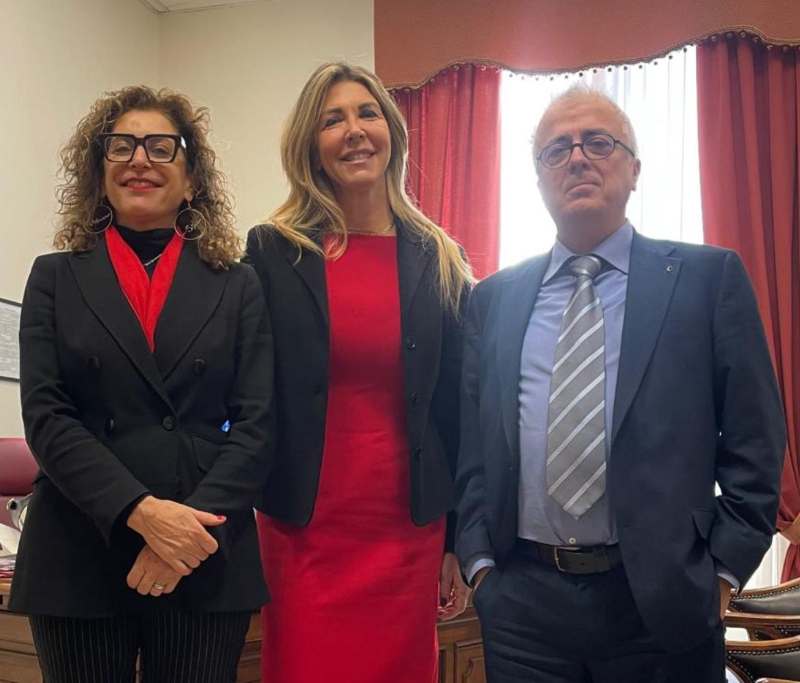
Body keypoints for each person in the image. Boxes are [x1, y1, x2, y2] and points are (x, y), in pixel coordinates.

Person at [455, 86, 786, 683]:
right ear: (538, 178)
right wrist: (479, 564)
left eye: (598, 143)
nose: (577, 158)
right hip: (523, 608)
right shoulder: (494, 299)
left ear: (634, 169)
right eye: (557, 149)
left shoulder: (707, 280)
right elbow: (473, 445)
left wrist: (721, 574)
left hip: (662, 606)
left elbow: (756, 440)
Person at [10, 85, 273, 683]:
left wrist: (184, 531)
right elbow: (46, 416)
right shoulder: (53, 277)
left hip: (203, 546)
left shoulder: (238, 285)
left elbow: (258, 425)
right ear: (99, 172)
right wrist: (140, 512)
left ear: (192, 177)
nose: (139, 160)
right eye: (121, 146)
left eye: (160, 147)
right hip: (78, 546)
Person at [245, 62, 471, 683]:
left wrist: (456, 538)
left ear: (391, 131)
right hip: (303, 532)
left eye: (367, 113)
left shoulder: (440, 257)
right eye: (332, 120)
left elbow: (457, 410)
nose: (354, 130)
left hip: (407, 531)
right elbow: (248, 395)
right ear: (310, 146)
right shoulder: (274, 250)